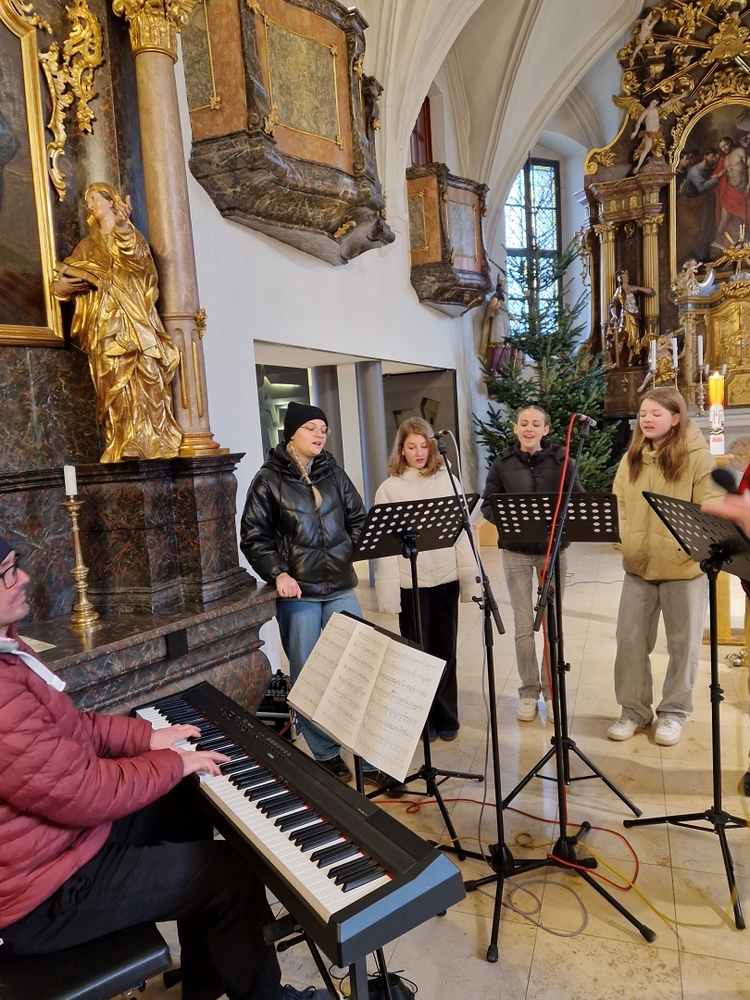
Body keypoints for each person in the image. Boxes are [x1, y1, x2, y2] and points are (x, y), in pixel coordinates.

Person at [0, 535, 326, 1000]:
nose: (23, 578)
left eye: (17, 565)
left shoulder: (9, 652)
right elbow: (86, 792)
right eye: (8, 573)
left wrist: (146, 737)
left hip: (56, 845)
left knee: (182, 798)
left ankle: (205, 980)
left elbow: (75, 728)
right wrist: (171, 762)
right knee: (232, 875)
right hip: (43, 893)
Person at [241, 401, 392, 791]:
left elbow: (358, 519)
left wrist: (346, 552)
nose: (320, 434)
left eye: (323, 429)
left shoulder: (333, 472)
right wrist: (279, 572)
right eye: (311, 428)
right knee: (309, 674)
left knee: (357, 668)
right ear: (292, 433)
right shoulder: (269, 479)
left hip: (340, 587)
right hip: (300, 595)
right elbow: (254, 536)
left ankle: (365, 754)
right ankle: (325, 752)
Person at [608, 388, 723, 746]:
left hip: (683, 568)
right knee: (629, 641)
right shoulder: (632, 457)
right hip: (638, 566)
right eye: (643, 413)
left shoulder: (697, 458)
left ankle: (674, 712)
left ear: (675, 418)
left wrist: (685, 548)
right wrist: (626, 541)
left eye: (655, 413)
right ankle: (634, 711)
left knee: (682, 646)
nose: (646, 419)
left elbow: (710, 509)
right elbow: (618, 503)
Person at [52, 182, 183, 463]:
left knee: (147, 375)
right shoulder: (86, 246)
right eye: (87, 202)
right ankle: (123, 440)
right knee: (115, 383)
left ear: (111, 201)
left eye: (95, 198)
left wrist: (123, 229)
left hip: (136, 321)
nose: (90, 205)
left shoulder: (131, 235)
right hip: (104, 327)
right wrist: (62, 288)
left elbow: (141, 265)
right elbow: (63, 277)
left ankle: (151, 438)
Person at [373, 418, 480, 741]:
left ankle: (447, 716)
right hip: (411, 583)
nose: (419, 452)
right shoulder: (389, 488)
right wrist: (389, 594)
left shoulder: (449, 481)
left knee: (446, 650)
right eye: (412, 447)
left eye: (424, 445)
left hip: (445, 579)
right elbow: (384, 548)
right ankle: (423, 720)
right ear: (401, 450)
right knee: (417, 653)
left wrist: (469, 580)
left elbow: (463, 536)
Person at [481, 405, 583, 722]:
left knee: (551, 624)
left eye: (536, 423)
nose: (529, 428)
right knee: (524, 625)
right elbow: (488, 505)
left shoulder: (563, 461)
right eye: (523, 423)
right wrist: (511, 522)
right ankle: (528, 692)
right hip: (515, 552)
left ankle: (551, 694)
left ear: (545, 430)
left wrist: (561, 524)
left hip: (552, 552)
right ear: (515, 428)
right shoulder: (502, 463)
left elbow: (577, 500)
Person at [608, 269, 653, 367]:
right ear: (620, 278)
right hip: (625, 316)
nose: (627, 278)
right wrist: (614, 315)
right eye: (624, 276)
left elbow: (651, 292)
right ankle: (618, 360)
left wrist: (637, 288)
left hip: (634, 317)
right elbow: (613, 304)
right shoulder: (619, 290)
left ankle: (630, 360)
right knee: (621, 337)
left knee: (633, 340)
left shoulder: (632, 288)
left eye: (627, 276)